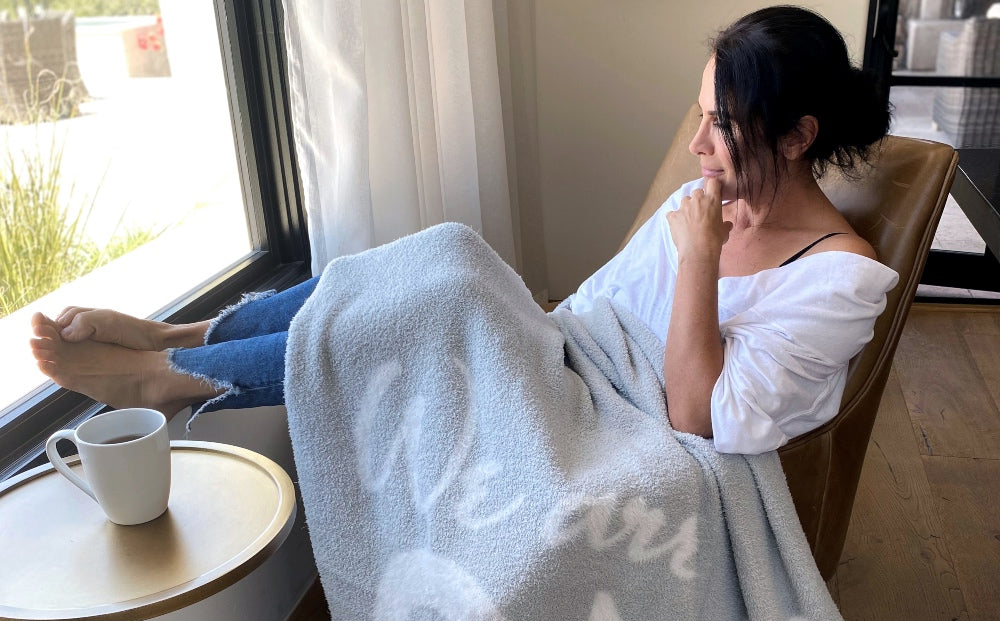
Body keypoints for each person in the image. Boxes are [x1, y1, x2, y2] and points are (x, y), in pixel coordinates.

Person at [29, 5, 897, 455]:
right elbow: (595, 307)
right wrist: (533, 332)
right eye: (701, 116)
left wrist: (701, 263)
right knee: (444, 257)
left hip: (610, 412)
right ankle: (186, 337)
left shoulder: (839, 280)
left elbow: (698, 417)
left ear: (797, 135)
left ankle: (171, 380)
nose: (700, 146)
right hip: (567, 353)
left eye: (724, 126)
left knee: (433, 307)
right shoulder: (715, 203)